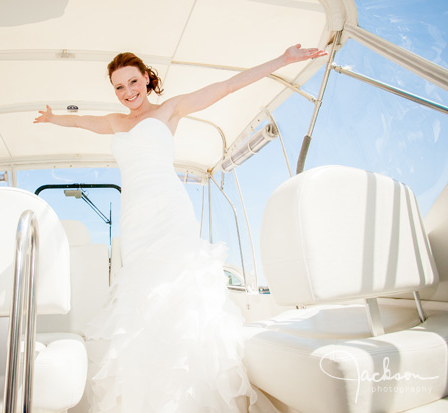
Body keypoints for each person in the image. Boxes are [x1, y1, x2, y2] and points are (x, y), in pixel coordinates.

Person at [34, 45, 326, 412]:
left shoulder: (170, 109)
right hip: (136, 221)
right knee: (144, 303)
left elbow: (225, 87)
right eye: (119, 87)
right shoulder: (114, 122)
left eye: (133, 82)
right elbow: (80, 122)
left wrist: (281, 62)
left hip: (170, 214)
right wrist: (53, 117)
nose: (128, 93)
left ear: (146, 79)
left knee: (179, 294)